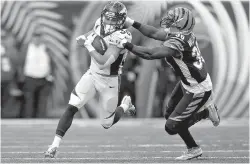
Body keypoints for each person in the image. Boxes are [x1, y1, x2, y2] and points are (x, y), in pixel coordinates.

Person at [120, 7, 220, 160]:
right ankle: (198, 132)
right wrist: (131, 22)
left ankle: (202, 124)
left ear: (182, 23)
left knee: (172, 126)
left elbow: (150, 54)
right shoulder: (183, 35)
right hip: (189, 83)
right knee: (169, 115)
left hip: (197, 88)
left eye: (174, 18)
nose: (170, 19)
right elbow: (153, 33)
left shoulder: (179, 42)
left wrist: (127, 45)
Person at [45, 1, 136, 158]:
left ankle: (125, 105)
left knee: (106, 123)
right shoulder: (98, 24)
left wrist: (87, 45)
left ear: (121, 20)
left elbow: (103, 62)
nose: (108, 22)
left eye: (113, 19)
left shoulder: (123, 36)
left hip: (110, 80)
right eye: (107, 18)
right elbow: (91, 34)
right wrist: (84, 37)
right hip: (92, 75)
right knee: (72, 106)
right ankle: (54, 146)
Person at [19, 33, 54, 118]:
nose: (37, 40)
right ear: (32, 39)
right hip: (30, 77)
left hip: (44, 78)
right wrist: (21, 77)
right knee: (29, 100)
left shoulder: (46, 48)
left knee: (42, 101)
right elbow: (20, 63)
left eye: (39, 38)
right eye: (35, 38)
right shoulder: (26, 48)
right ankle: (28, 119)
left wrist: (51, 74)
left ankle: (41, 120)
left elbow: (52, 63)